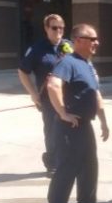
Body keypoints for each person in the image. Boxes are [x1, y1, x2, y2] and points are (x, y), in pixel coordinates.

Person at [44, 23, 110, 203]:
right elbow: (53, 85)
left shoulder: (87, 65)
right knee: (65, 173)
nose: (97, 43)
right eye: (93, 39)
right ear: (78, 40)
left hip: (85, 126)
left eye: (97, 39)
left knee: (90, 167)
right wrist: (63, 113)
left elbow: (96, 94)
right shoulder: (69, 62)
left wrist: (103, 120)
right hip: (69, 128)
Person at [17, 13, 71, 173]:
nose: (58, 31)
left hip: (69, 98)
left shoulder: (69, 46)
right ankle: (52, 163)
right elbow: (22, 71)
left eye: (61, 28)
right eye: (54, 28)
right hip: (48, 99)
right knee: (52, 131)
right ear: (46, 28)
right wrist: (33, 94)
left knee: (70, 130)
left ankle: (67, 160)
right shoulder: (36, 49)